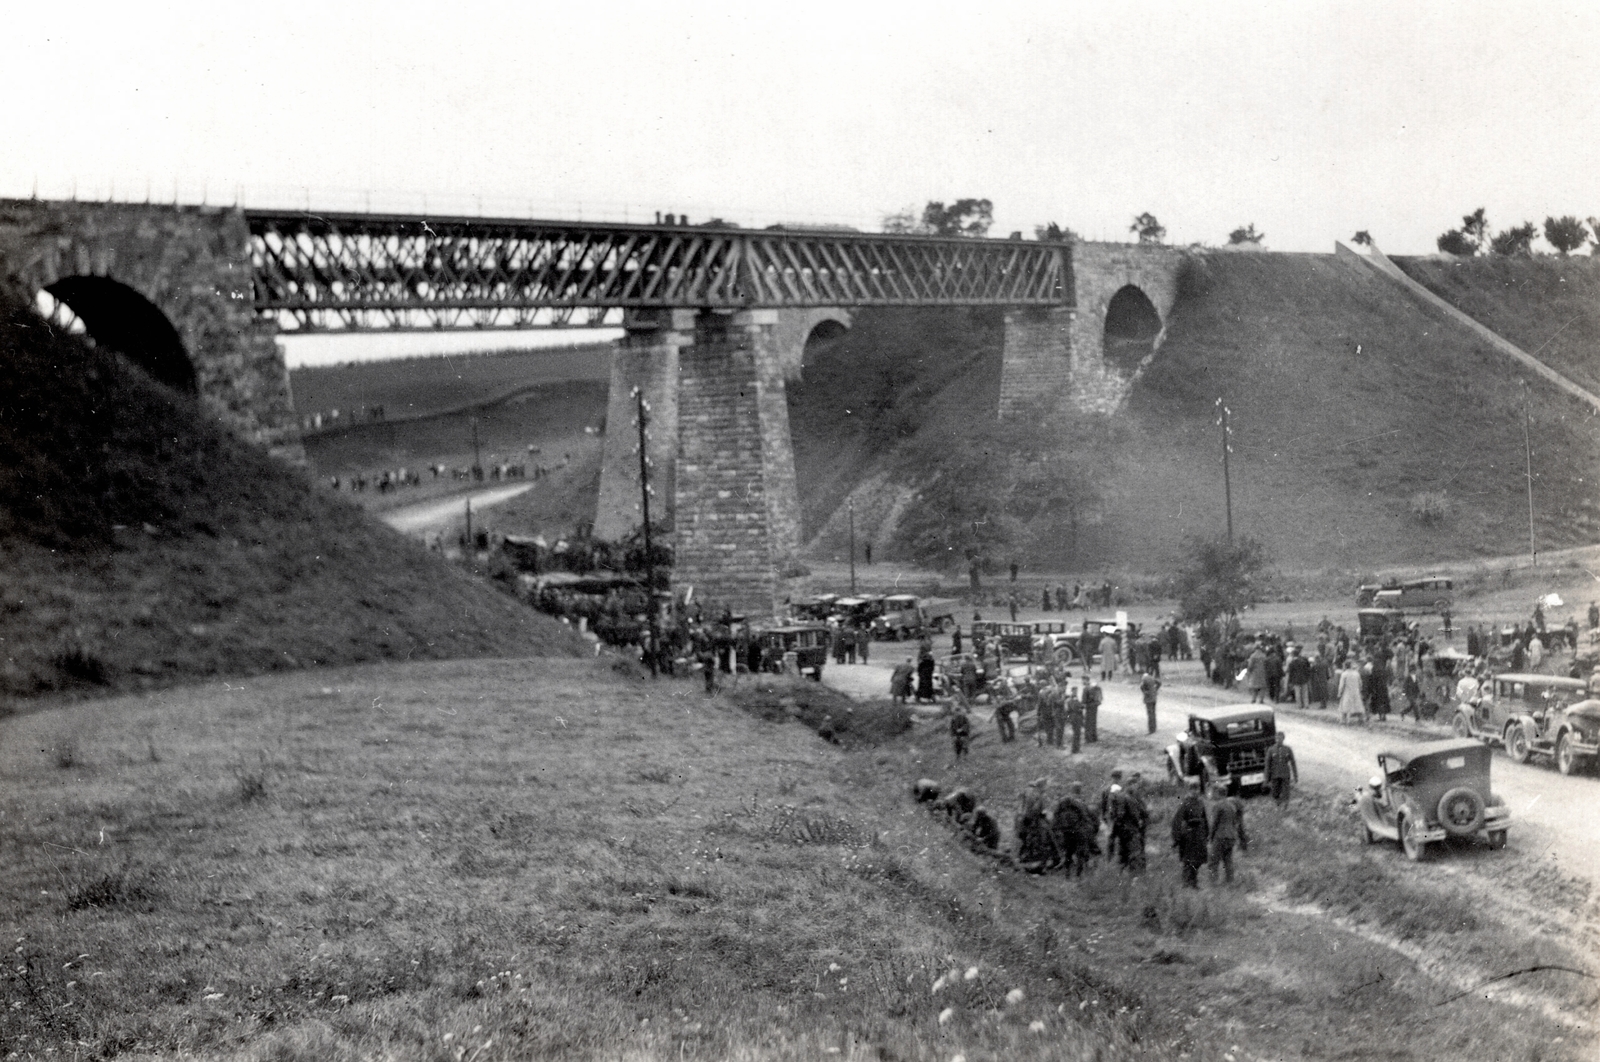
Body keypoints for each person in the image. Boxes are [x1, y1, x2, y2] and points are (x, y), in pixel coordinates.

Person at [1171, 781, 1210, 889]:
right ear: (1189, 791)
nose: (1195, 792)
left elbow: (1205, 819)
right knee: (1188, 861)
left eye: (1197, 789)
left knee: (1197, 861)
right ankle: (1186, 883)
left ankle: (1194, 883)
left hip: (1199, 835)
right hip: (1188, 835)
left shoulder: (1201, 803)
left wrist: (1207, 834)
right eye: (1193, 789)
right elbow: (1177, 821)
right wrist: (1176, 838)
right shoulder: (1185, 803)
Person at [1208, 783, 1248, 884]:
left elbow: (1214, 824)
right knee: (1228, 860)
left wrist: (1210, 837)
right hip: (1231, 836)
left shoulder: (1217, 806)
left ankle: (1213, 883)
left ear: (1217, 793)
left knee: (1213, 861)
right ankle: (1230, 881)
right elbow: (1236, 822)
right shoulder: (1232, 806)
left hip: (1220, 836)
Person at [1265, 732, 1298, 807]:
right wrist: (1266, 778)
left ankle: (1286, 805)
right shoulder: (1271, 750)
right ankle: (1278, 803)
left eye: (1280, 738)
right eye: (1277, 738)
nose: (1278, 740)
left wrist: (1295, 776)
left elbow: (1293, 762)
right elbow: (1267, 765)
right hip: (1275, 774)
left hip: (1285, 774)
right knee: (1275, 791)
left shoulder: (1288, 749)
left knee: (1286, 791)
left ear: (1283, 739)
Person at [1337, 656, 1365, 725]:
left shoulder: (1344, 674)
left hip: (1347, 691)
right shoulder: (1356, 673)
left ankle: (1344, 720)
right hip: (1356, 691)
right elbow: (1360, 683)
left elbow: (1341, 685)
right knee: (1357, 705)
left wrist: (1339, 693)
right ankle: (1361, 719)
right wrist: (1360, 690)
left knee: (1345, 706)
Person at [1139, 670, 1162, 735]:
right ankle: (1154, 728)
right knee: (1154, 713)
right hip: (1154, 697)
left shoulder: (1144, 679)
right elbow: (1159, 683)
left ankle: (1151, 729)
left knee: (1150, 714)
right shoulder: (1152, 678)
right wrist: (1156, 689)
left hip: (1148, 698)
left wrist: (1145, 692)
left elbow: (1141, 687)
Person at [1082, 675, 1102, 743]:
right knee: (1093, 722)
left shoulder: (1086, 688)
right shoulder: (1094, 686)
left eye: (1083, 680)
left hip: (1089, 707)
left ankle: (1088, 739)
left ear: (1085, 680)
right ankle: (1094, 737)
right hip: (1095, 706)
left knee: (1088, 723)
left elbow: (1083, 701)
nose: (1082, 682)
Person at [1065, 685, 1085, 754]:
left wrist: (1081, 706)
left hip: (1077, 717)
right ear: (1072, 691)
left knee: (1077, 734)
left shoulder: (1075, 697)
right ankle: (1074, 749)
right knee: (1076, 734)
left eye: (1077, 691)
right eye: (1075, 691)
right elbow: (1074, 707)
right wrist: (1081, 707)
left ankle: (1076, 748)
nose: (1076, 692)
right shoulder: (1071, 698)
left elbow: (1079, 705)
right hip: (1075, 717)